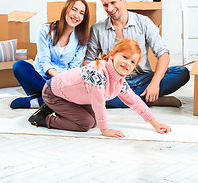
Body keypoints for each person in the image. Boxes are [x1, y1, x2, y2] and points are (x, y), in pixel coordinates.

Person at [28, 38, 172, 138]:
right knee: (86, 124)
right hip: (54, 92)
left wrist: (155, 124)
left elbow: (134, 101)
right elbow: (98, 103)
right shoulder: (97, 72)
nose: (127, 63)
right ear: (112, 55)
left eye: (133, 62)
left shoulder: (119, 80)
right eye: (125, 57)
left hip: (72, 97)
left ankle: (58, 110)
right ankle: (43, 119)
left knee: (95, 121)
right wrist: (105, 130)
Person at [84, 0, 190, 108]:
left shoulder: (144, 22)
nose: (110, 9)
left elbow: (163, 54)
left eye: (113, 3)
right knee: (91, 94)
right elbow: (88, 62)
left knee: (182, 72)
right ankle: (149, 100)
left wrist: (154, 83)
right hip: (113, 82)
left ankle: (132, 98)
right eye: (105, 5)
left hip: (143, 78)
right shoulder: (97, 29)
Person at [10, 0, 90, 109]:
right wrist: (58, 81)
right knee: (19, 65)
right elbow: (44, 61)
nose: (77, 15)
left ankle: (41, 102)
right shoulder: (46, 30)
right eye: (74, 9)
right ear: (66, 9)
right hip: (39, 79)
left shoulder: (82, 40)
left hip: (62, 83)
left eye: (82, 13)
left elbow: (73, 68)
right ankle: (58, 100)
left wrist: (62, 83)